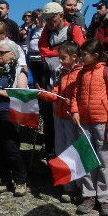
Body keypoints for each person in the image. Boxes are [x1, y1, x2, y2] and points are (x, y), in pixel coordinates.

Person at [70, 39, 108, 216]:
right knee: (86, 159)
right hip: (83, 122)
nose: (81, 57)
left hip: (102, 123)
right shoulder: (81, 73)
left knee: (104, 161)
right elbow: (75, 95)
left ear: (95, 55)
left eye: (84, 54)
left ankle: (106, 199)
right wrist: (75, 111)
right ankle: (89, 195)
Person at [38, 41, 83, 202]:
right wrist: (43, 94)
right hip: (59, 115)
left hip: (72, 117)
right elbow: (56, 93)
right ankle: (67, 186)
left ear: (74, 57)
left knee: (74, 152)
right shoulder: (63, 72)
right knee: (62, 151)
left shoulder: (81, 72)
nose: (60, 61)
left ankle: (80, 187)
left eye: (63, 58)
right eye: (59, 58)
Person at [0, 39, 29, 196]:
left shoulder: (19, 71)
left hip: (11, 112)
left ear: (12, 54)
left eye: (2, 53)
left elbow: (22, 93)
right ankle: (4, 179)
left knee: (11, 147)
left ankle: (20, 180)